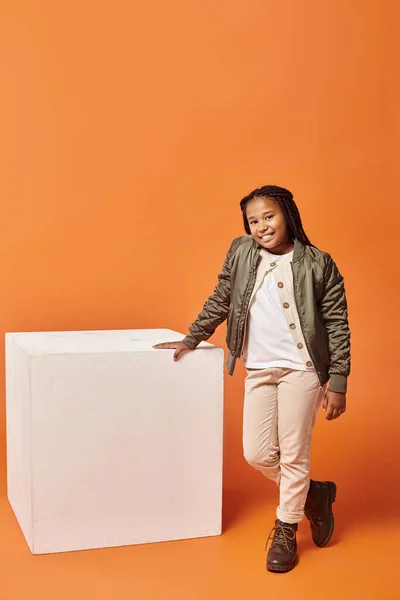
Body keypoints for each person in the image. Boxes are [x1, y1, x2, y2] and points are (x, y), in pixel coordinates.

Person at [153, 185, 350, 573]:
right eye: (253, 220)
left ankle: (286, 527)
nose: (260, 226)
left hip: (303, 370)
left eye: (268, 217)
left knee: (294, 454)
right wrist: (193, 336)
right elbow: (223, 296)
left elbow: (337, 323)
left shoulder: (317, 262)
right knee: (257, 452)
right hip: (258, 367)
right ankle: (314, 493)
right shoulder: (242, 251)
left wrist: (338, 380)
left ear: (288, 215)